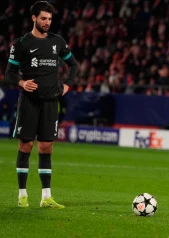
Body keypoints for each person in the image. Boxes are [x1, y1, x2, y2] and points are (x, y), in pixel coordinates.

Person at [5, 1, 78, 209]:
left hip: (50, 102)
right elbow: (9, 73)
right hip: (29, 102)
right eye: (44, 18)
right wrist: (21, 82)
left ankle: (46, 197)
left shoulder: (57, 42)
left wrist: (67, 84)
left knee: (46, 147)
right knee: (26, 145)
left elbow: (73, 65)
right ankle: (22, 195)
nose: (47, 22)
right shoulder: (21, 44)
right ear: (34, 18)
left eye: (50, 19)